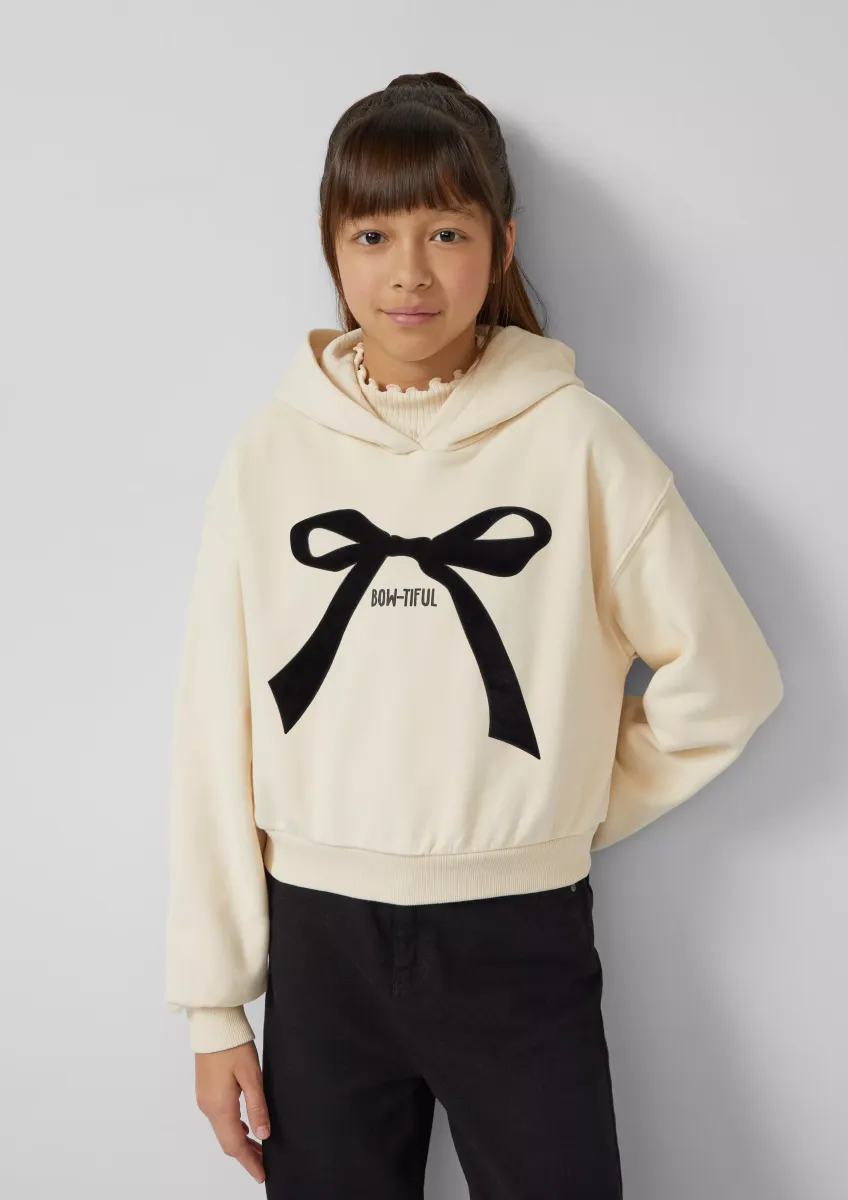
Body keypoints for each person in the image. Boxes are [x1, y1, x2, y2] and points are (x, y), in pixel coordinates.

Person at [163, 71, 784, 1198]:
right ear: (331, 247)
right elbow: (215, 734)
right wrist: (215, 1008)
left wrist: (565, 805)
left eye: (445, 231)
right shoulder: (270, 455)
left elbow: (727, 678)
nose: (409, 270)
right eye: (373, 234)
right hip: (320, 947)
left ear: (500, 245)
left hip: (519, 942)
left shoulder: (579, 445)